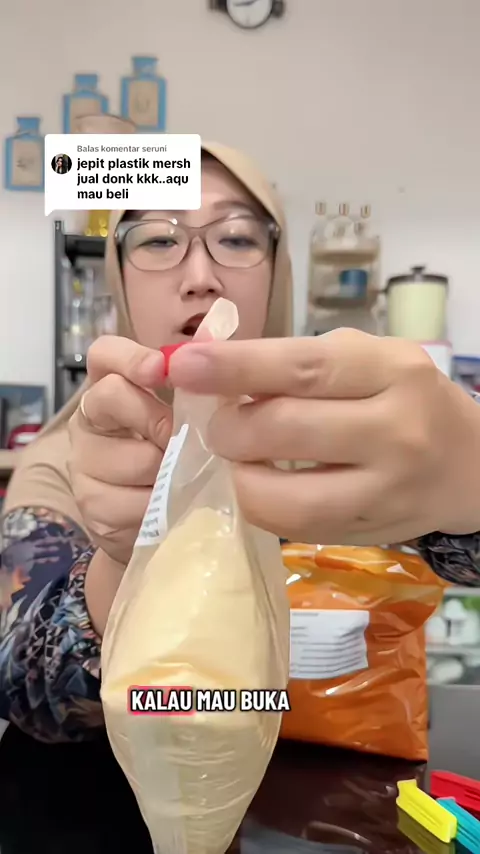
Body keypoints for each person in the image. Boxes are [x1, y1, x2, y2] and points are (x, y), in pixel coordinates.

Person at [1, 142, 480, 745]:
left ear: (278, 273)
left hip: (353, 789)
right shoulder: (60, 464)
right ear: (118, 278)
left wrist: (470, 481)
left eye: (235, 238)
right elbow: (21, 680)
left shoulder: (364, 429)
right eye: (158, 240)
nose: (200, 278)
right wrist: (124, 562)